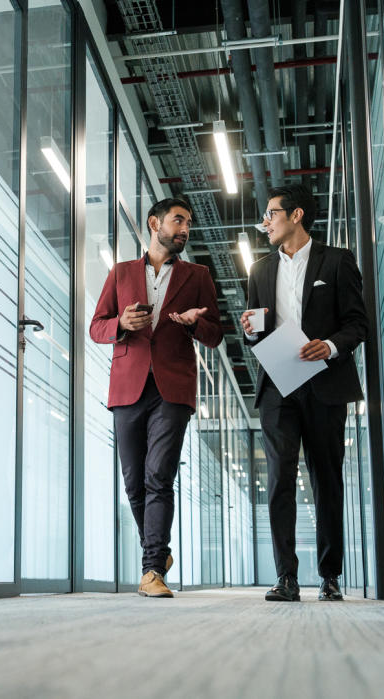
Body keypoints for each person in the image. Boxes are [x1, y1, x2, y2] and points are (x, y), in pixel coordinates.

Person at [89, 197, 223, 598]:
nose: (185, 229)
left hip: (173, 386)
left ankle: (151, 571)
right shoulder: (121, 273)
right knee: (133, 482)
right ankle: (157, 549)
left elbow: (216, 335)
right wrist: (120, 324)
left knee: (158, 474)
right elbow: (96, 327)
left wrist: (196, 325)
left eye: (189, 223)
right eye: (178, 220)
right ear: (154, 223)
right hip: (128, 386)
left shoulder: (198, 275)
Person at [240, 183, 367, 602]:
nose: (265, 223)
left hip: (325, 382)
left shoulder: (338, 261)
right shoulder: (259, 270)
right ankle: (286, 578)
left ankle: (330, 576)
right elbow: (256, 334)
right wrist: (250, 331)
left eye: (271, 214)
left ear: (296, 215)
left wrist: (329, 346)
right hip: (279, 384)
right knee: (279, 479)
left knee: (326, 478)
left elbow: (357, 324)